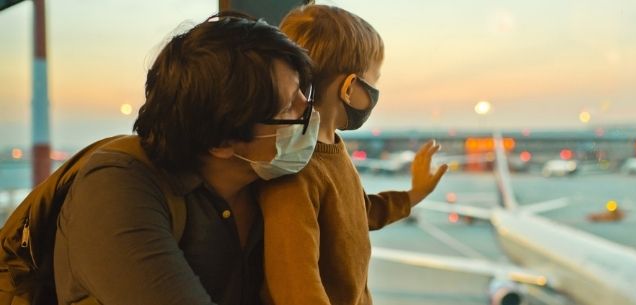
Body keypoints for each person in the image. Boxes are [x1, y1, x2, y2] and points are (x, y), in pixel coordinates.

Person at [53, 12, 316, 305]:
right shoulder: (116, 188)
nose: (308, 112)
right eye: (288, 107)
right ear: (222, 140)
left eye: (304, 95)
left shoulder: (266, 183)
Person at [258, 5, 448, 305]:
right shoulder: (295, 173)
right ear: (349, 87)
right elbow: (297, 288)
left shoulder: (332, 148)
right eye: (375, 79)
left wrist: (413, 195)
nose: (376, 91)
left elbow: (356, 215)